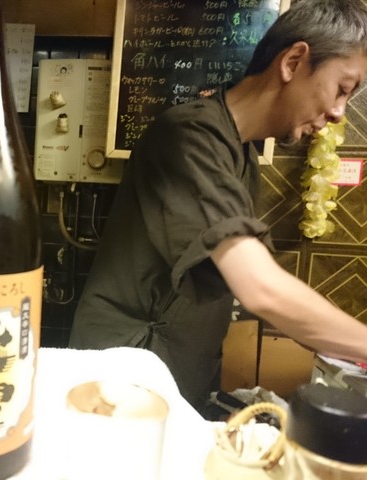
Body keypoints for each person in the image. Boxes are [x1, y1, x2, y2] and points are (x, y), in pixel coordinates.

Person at [69, 0, 367, 414]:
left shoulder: (238, 153)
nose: (338, 113)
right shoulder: (190, 136)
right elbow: (260, 287)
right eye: (342, 89)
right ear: (293, 62)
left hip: (168, 371)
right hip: (123, 376)